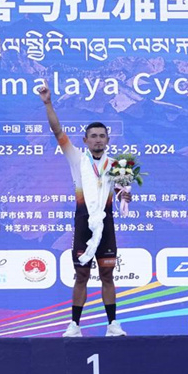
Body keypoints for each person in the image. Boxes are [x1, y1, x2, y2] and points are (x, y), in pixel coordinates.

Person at [39, 86, 131, 337]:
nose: (98, 140)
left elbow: (122, 192)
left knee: (107, 275)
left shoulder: (117, 165)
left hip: (106, 226)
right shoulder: (77, 159)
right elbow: (57, 131)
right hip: (83, 224)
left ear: (108, 140)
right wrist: (48, 104)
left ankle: (112, 324)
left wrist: (125, 196)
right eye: (93, 136)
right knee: (81, 275)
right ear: (85, 140)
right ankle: (74, 325)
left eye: (102, 136)